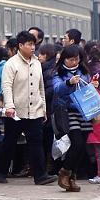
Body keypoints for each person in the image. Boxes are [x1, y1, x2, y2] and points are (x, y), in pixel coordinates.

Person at [0, 31, 57, 185]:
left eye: (33, 44)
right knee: (9, 142)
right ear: (20, 46)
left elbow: (40, 87)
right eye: (29, 44)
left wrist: (43, 108)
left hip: (34, 110)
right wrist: (9, 105)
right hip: (16, 111)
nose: (32, 47)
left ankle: (40, 176)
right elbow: (7, 86)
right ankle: (0, 172)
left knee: (36, 142)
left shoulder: (36, 63)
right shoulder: (11, 64)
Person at [52, 45, 95, 192]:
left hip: (84, 112)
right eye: (71, 59)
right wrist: (69, 83)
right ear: (64, 59)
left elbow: (88, 89)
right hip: (68, 111)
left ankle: (72, 178)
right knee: (76, 143)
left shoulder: (84, 71)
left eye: (77, 59)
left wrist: (93, 85)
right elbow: (57, 89)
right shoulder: (59, 73)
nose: (75, 62)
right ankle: (64, 172)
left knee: (82, 146)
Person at [38, 44, 57, 173]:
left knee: (47, 139)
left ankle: (49, 166)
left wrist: (39, 94)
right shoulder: (45, 68)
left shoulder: (48, 71)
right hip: (48, 109)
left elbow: (51, 90)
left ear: (47, 55)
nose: (38, 56)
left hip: (49, 109)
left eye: (41, 54)